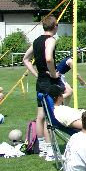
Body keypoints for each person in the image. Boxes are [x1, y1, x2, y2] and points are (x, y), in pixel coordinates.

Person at [23, 15, 68, 158]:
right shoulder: (51, 40)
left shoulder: (36, 41)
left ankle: (42, 147)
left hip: (41, 81)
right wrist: (54, 74)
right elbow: (49, 58)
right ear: (55, 26)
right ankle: (49, 150)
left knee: (41, 115)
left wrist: (36, 74)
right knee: (50, 116)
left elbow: (25, 59)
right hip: (49, 81)